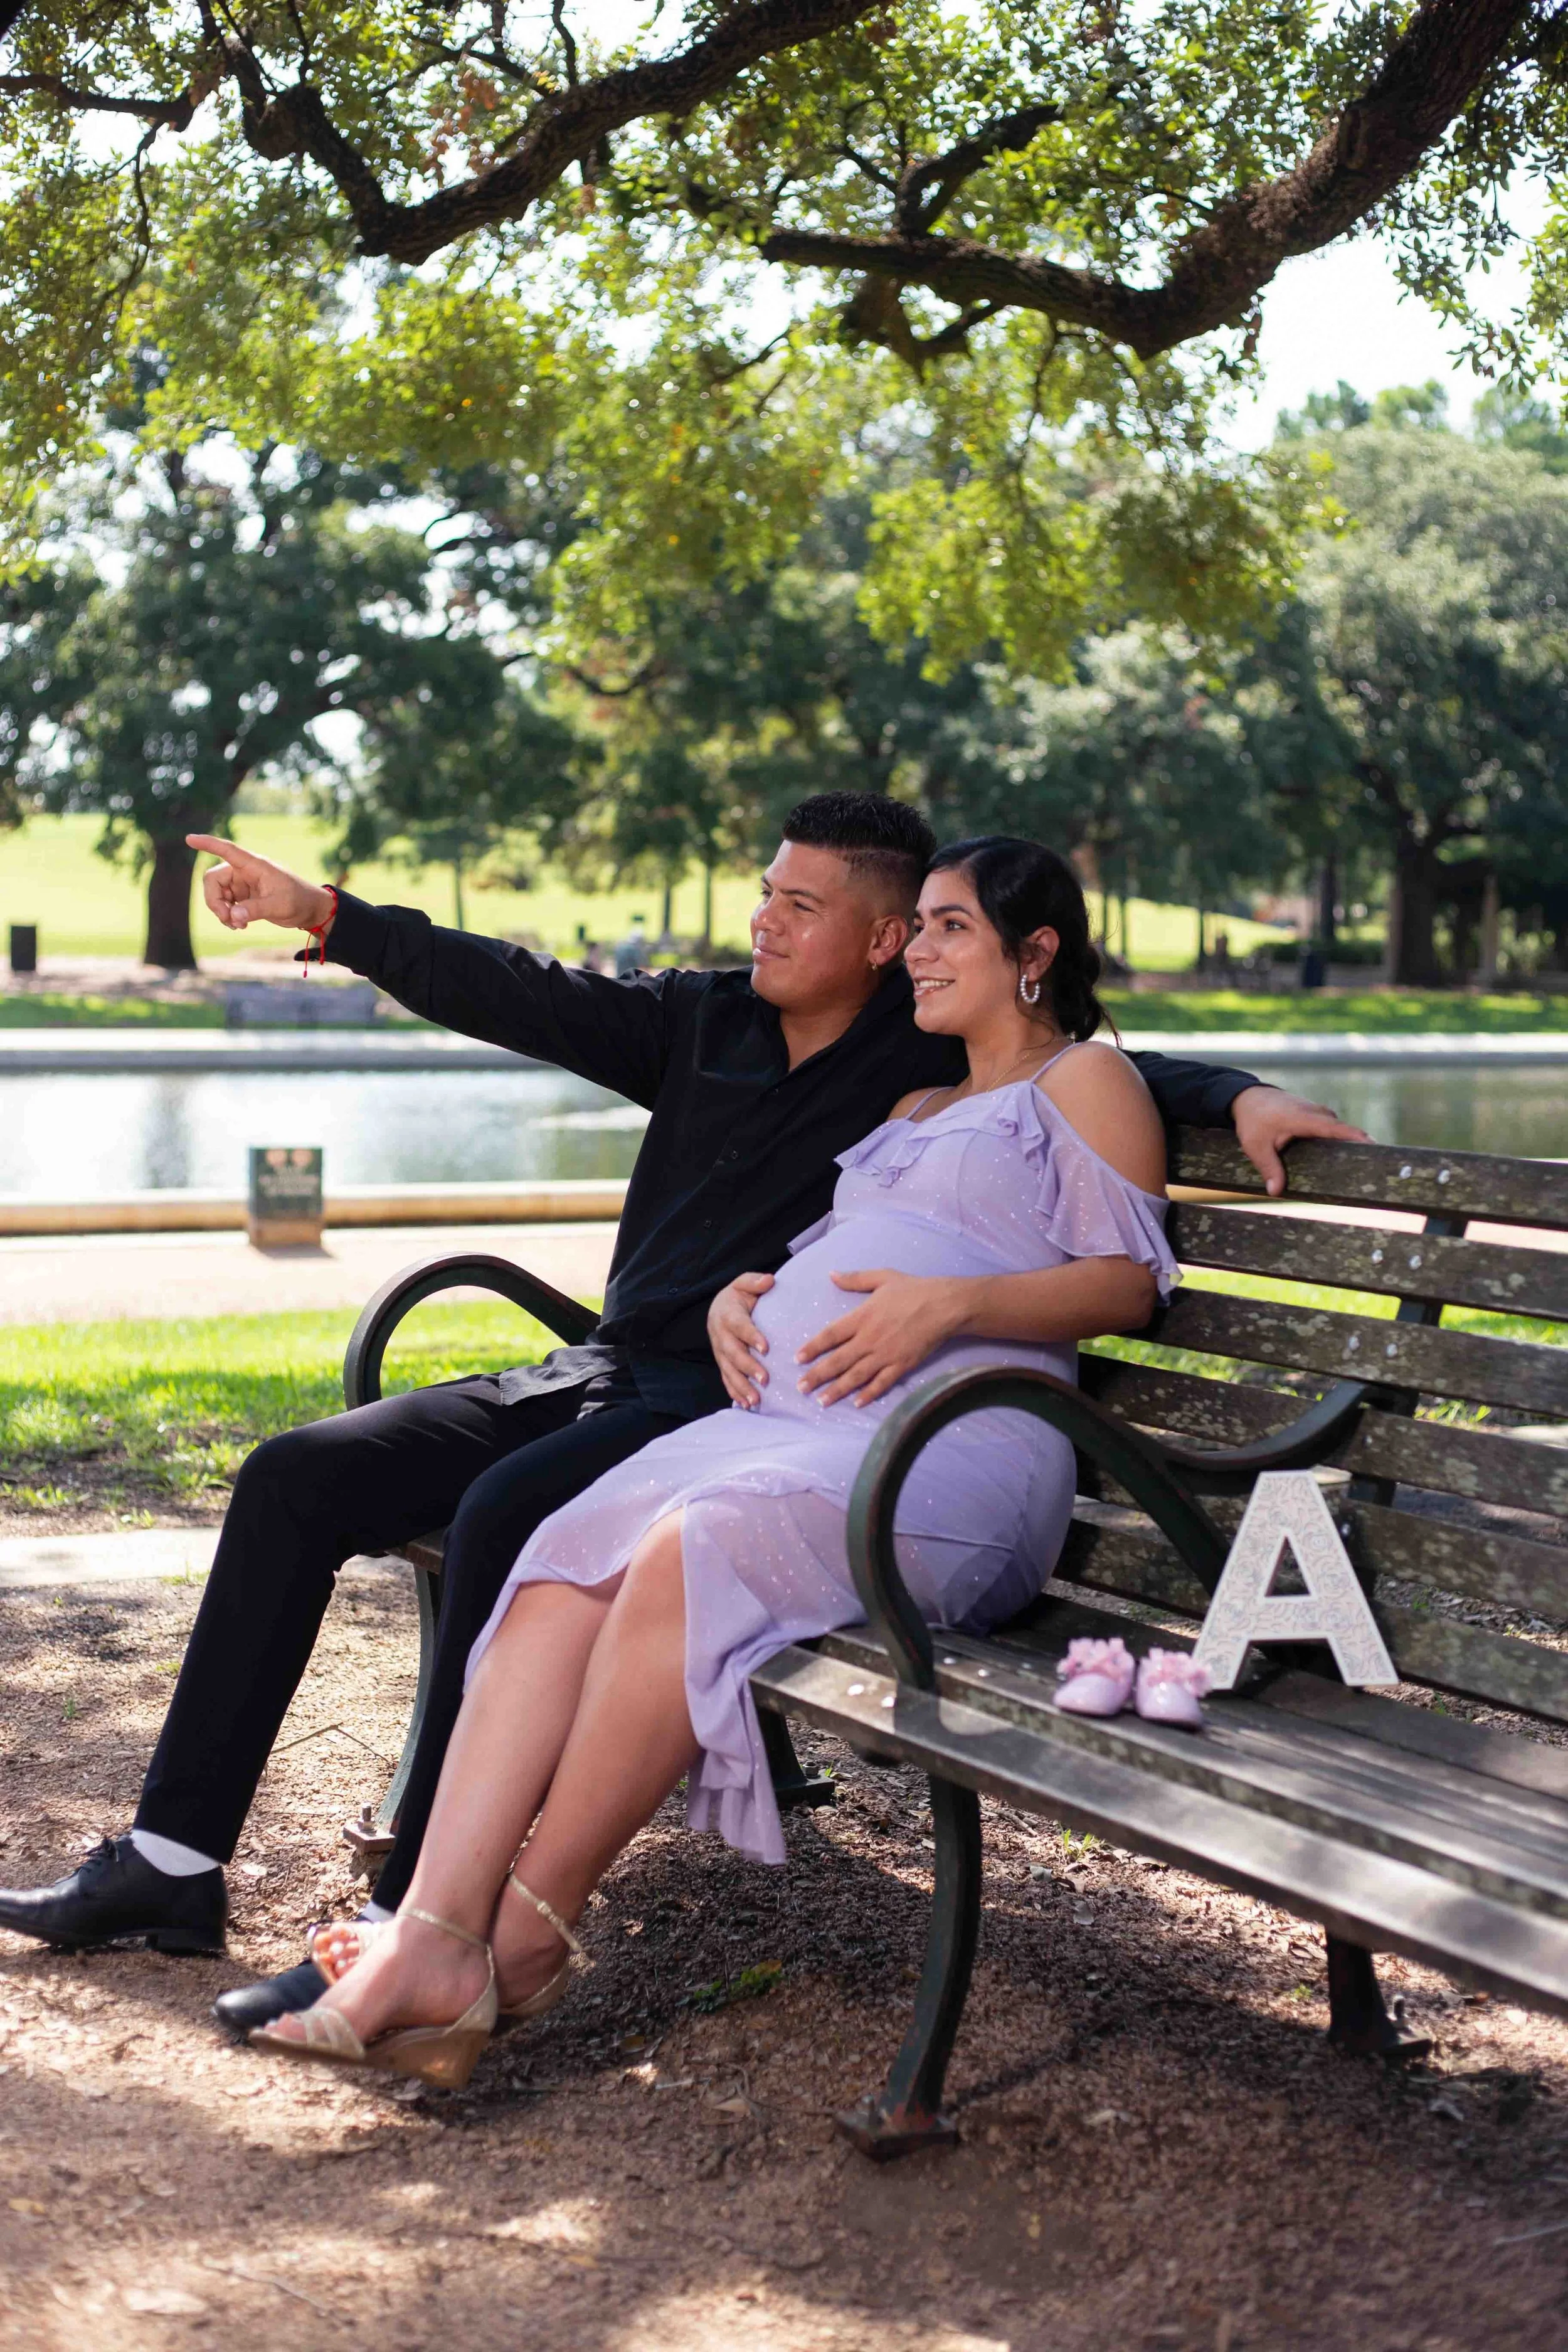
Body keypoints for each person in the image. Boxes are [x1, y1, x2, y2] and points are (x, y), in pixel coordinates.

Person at [0, 794, 1362, 2028]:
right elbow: (513, 989)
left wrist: (1236, 1092)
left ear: (888, 940)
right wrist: (328, 916)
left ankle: (409, 1915)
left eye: (800, 905)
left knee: (502, 1520)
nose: (762, 922)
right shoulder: (699, 1020)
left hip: (747, 1412)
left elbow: (1090, 1063)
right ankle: (173, 1862)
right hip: (610, 1369)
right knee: (296, 1475)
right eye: (762, 896)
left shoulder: (921, 1040)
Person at [248, 835, 1182, 2082]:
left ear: (1034, 955)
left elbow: (1125, 1285)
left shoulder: (1083, 1082)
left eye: (950, 928)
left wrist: (950, 1312)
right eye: (920, 929)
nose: (920, 952)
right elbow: (841, 1252)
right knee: (560, 1558)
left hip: (948, 1457)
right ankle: (427, 1933)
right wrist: (747, 1300)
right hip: (793, 1433)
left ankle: (520, 1944)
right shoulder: (912, 1108)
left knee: (688, 1548)